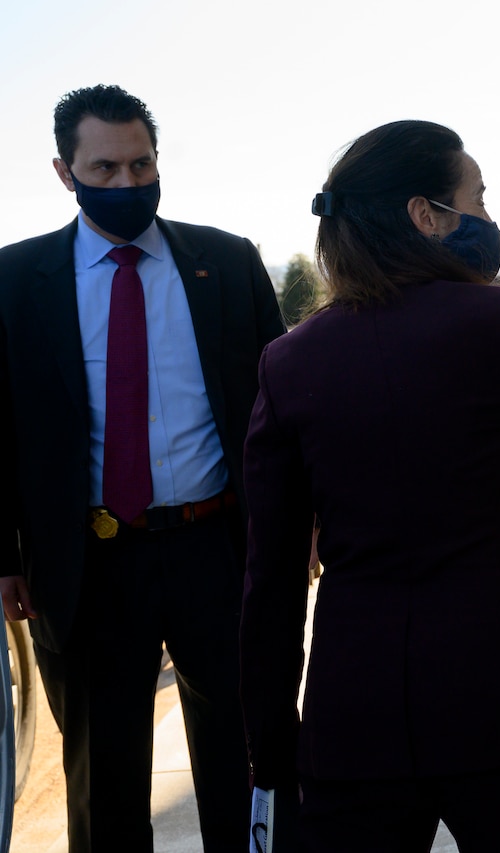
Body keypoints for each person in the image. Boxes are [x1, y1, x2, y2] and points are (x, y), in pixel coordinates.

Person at [238, 119, 500, 852]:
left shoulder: (289, 361)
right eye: (478, 198)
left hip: (355, 720)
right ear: (425, 215)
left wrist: (272, 738)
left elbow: (271, 578)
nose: (490, 218)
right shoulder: (495, 320)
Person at [0, 84, 286, 851]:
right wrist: (6, 560)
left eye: (141, 165)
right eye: (105, 169)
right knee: (104, 777)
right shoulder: (15, 281)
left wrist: (299, 526)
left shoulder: (226, 263)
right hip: (88, 563)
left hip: (217, 548)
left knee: (247, 756)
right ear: (65, 172)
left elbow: (277, 410)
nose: (128, 184)